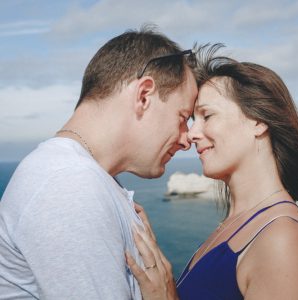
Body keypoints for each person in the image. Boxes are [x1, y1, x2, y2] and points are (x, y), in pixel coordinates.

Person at [0, 27, 197, 299]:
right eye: (183, 117)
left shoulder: (82, 177)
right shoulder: (69, 184)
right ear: (144, 96)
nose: (188, 139)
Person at [126, 47, 298, 299]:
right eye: (193, 119)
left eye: (207, 115)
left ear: (258, 122)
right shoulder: (237, 224)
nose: (192, 134)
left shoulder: (282, 240)